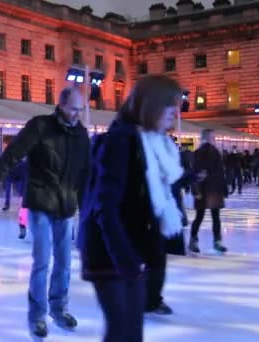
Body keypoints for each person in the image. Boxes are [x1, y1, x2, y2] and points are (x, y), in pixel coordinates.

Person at [78, 75, 184, 341]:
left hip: (130, 252)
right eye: (169, 104)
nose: (176, 111)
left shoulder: (151, 144)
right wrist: (125, 260)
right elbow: (105, 206)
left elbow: (146, 199)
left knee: (131, 333)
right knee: (122, 331)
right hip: (109, 252)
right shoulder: (120, 142)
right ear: (150, 104)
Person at [0, 88, 90, 338]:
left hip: (65, 207)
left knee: (63, 263)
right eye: (73, 108)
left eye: (80, 110)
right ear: (60, 105)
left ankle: (59, 308)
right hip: (40, 203)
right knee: (42, 261)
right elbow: (11, 155)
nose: (76, 114)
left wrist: (87, 209)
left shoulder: (81, 135)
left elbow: (85, 174)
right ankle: (37, 316)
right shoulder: (40, 126)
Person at [189, 129, 228, 254]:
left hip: (213, 189)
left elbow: (220, 172)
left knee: (212, 216)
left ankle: (214, 241)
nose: (214, 139)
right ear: (206, 137)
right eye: (213, 137)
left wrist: (223, 187)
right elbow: (196, 173)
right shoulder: (201, 153)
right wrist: (196, 190)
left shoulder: (214, 152)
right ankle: (196, 241)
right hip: (207, 189)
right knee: (203, 216)